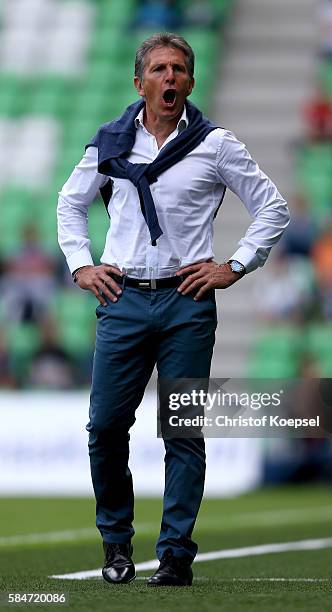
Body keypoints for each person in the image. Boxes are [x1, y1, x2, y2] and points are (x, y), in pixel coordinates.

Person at [57, 32, 289, 587]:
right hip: (124, 297)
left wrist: (234, 266)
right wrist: (80, 264)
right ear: (139, 83)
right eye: (159, 69)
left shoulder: (215, 144)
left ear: (191, 81)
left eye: (179, 69)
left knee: (182, 429)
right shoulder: (110, 142)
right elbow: (70, 203)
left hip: (188, 301)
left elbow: (271, 207)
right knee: (106, 427)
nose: (170, 77)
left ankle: (176, 555)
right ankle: (116, 544)